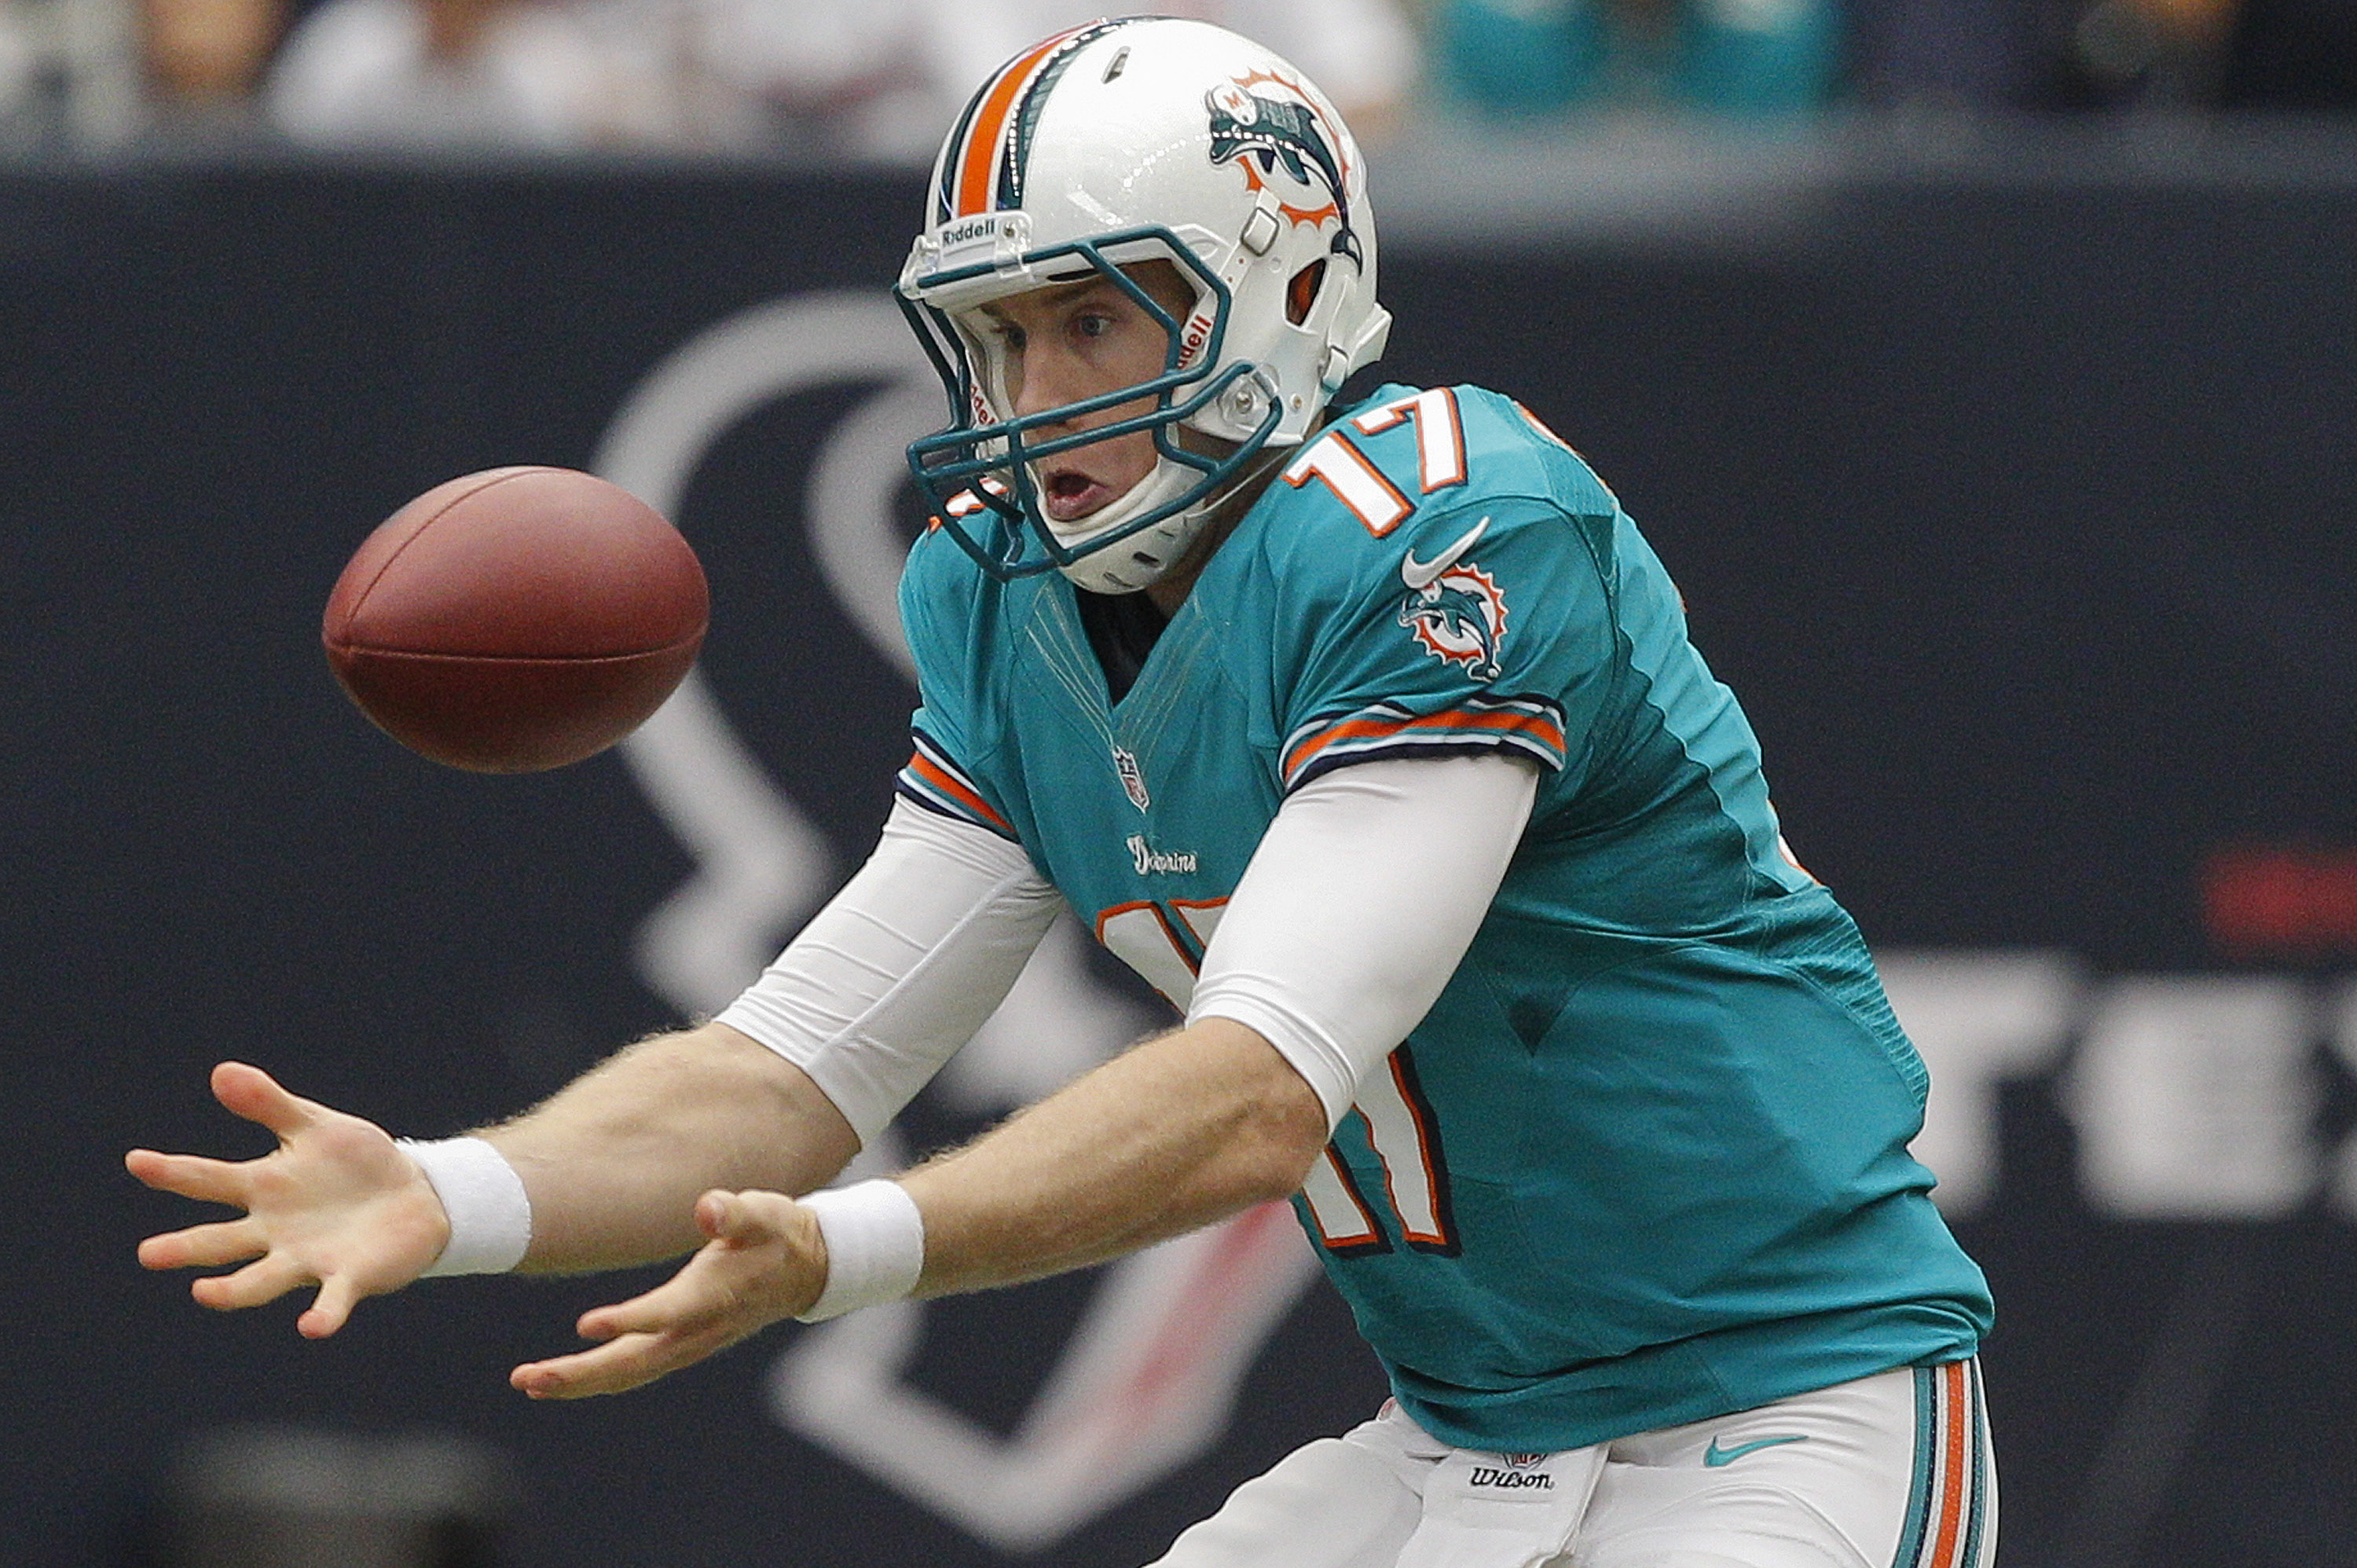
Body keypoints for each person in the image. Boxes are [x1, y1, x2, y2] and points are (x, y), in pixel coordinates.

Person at [132, 17, 1997, 1566]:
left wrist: (849, 1253)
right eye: (1004, 334)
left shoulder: (1444, 527)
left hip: (1781, 1402)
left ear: (1278, 288)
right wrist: (451, 1193)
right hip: (1465, 1437)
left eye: (1094, 323)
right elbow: (793, 1067)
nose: (1037, 393)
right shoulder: (1004, 591)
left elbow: (1255, 1098)